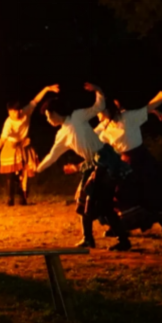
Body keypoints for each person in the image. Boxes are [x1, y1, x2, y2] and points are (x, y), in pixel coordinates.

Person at [36, 84, 134, 251]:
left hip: (105, 162)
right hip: (93, 165)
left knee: (101, 203)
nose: (48, 120)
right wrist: (37, 169)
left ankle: (121, 240)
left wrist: (98, 91)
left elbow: (99, 106)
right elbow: (52, 156)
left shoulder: (77, 116)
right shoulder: (61, 135)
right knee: (84, 201)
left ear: (55, 113)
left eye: (48, 116)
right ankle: (90, 239)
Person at [96, 92, 162, 237]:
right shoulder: (104, 128)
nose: (97, 115)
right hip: (124, 164)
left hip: (141, 159)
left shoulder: (128, 117)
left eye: (100, 111)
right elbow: (91, 141)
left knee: (153, 192)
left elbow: (147, 107)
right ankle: (120, 226)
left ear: (108, 110)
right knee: (122, 195)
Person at [0, 85, 60, 207]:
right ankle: (10, 199)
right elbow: (2, 139)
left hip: (24, 145)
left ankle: (22, 198)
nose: (17, 113)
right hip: (11, 146)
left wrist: (47, 89)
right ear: (10, 112)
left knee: (24, 174)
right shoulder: (8, 123)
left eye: (18, 110)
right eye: (14, 111)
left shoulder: (26, 112)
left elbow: (36, 100)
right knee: (10, 174)